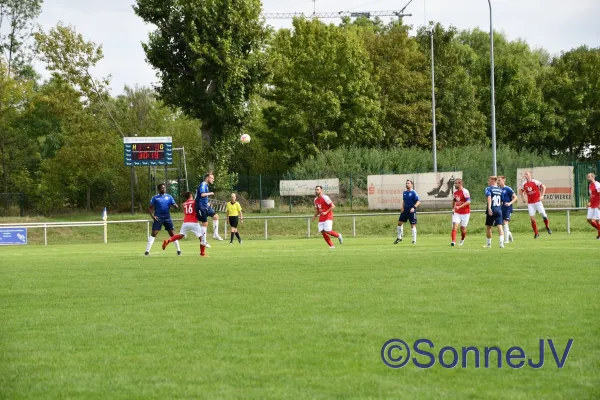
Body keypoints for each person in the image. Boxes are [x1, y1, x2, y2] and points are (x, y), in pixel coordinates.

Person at [162, 192, 207, 256]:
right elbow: (199, 208)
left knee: (180, 235)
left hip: (186, 222)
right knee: (202, 238)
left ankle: (168, 241)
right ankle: (202, 253)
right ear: (191, 195)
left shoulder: (184, 204)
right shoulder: (195, 202)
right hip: (194, 222)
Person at [145, 183, 180, 256]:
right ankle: (147, 251)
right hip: (158, 217)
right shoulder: (155, 197)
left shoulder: (169, 196)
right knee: (154, 233)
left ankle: (178, 250)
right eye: (162, 188)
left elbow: (174, 205)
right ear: (158, 189)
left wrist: (175, 206)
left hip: (167, 217)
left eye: (164, 187)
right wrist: (153, 216)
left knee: (172, 234)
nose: (163, 189)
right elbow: (149, 208)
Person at [519, 171, 552, 238]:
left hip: (538, 202)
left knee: (544, 215)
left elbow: (544, 187)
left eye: (527, 174)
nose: (526, 175)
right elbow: (520, 191)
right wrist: (523, 198)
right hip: (530, 203)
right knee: (532, 218)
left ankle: (547, 227)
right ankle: (536, 233)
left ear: (530, 175)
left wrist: (542, 195)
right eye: (525, 174)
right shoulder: (524, 184)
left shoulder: (535, 182)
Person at [394, 180, 420, 244]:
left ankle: (414, 240)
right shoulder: (404, 192)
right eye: (406, 183)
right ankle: (399, 237)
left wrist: (413, 207)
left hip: (411, 211)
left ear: (411, 185)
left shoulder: (414, 192)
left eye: (408, 183)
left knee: (413, 225)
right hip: (405, 210)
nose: (407, 184)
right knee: (399, 223)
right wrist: (402, 207)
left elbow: (418, 202)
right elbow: (404, 201)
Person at [484, 176, 504, 248]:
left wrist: (489, 208)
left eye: (489, 180)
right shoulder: (500, 190)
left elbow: (489, 197)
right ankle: (501, 244)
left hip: (491, 210)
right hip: (499, 210)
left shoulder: (488, 188)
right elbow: (502, 201)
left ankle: (488, 245)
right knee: (500, 226)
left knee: (489, 227)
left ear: (493, 180)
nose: (488, 181)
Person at [450, 179, 470, 246]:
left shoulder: (465, 191)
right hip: (457, 213)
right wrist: (453, 208)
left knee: (463, 229)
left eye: (456, 183)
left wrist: (460, 206)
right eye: (454, 183)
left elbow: (468, 201)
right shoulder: (455, 193)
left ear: (460, 184)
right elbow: (454, 201)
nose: (455, 185)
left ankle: (462, 238)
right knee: (454, 226)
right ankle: (453, 241)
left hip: (465, 213)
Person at [499, 176, 518, 243]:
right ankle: (509, 234)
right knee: (501, 224)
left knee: (505, 222)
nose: (498, 182)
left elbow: (515, 197)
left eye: (500, 180)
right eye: (498, 180)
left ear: (503, 181)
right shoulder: (498, 189)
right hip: (500, 208)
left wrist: (510, 203)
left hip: (507, 208)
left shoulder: (508, 189)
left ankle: (506, 240)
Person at [586, 173, 600, 239]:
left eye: (588, 177)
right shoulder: (590, 185)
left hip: (597, 205)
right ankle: (599, 229)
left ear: (592, 177)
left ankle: (599, 235)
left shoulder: (597, 184)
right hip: (592, 205)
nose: (587, 178)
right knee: (589, 219)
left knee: (598, 220)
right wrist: (589, 202)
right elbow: (591, 195)